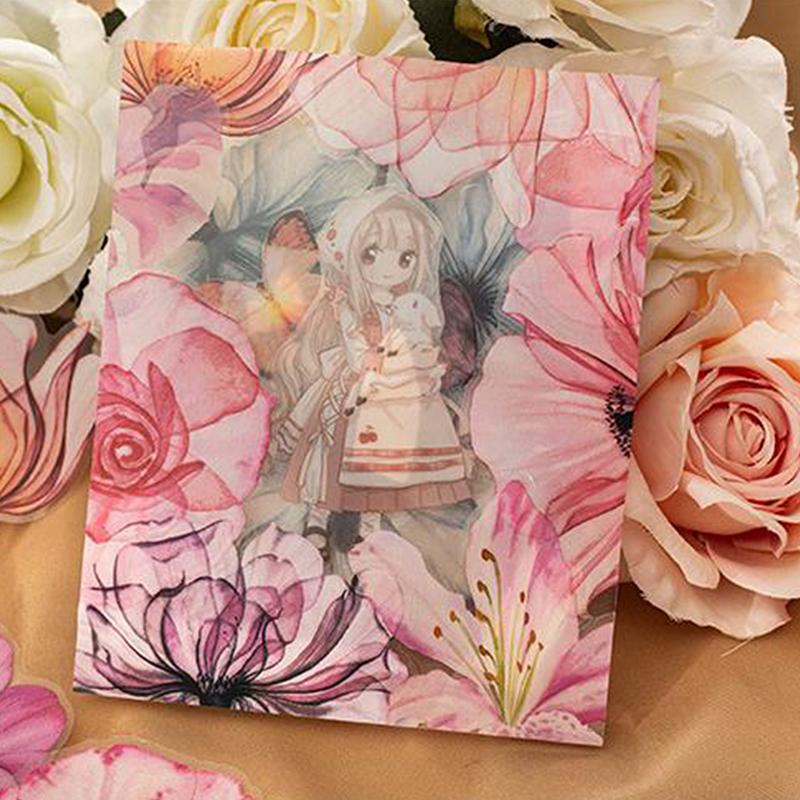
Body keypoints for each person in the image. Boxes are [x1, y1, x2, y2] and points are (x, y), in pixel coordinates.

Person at [271, 187, 470, 543]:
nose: (388, 268)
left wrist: (412, 358)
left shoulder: (406, 305)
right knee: (330, 448)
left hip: (393, 383)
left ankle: (370, 524)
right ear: (353, 255)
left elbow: (413, 338)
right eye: (372, 254)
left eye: (405, 257)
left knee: (384, 459)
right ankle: (318, 517)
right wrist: (369, 359)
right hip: (358, 379)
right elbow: (353, 342)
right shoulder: (351, 306)